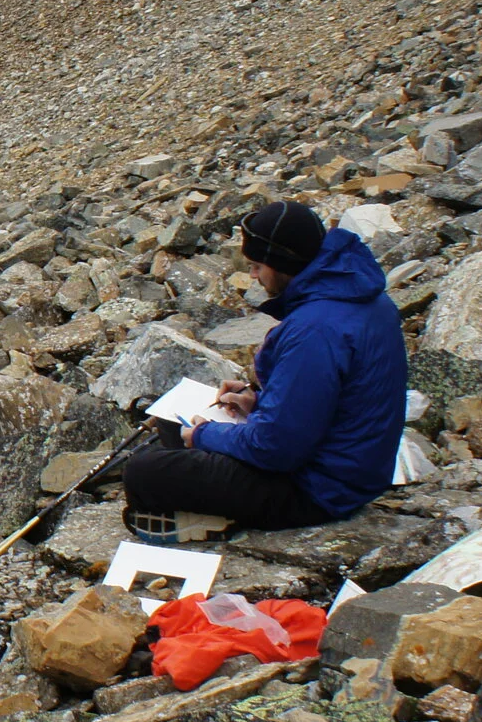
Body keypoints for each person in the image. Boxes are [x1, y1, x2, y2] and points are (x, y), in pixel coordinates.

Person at [122, 200, 407, 532]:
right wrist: (256, 401)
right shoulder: (359, 297)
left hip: (318, 490)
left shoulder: (314, 330)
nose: (253, 277)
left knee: (142, 472)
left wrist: (206, 435)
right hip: (346, 466)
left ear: (283, 263)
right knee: (171, 425)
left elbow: (275, 449)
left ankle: (211, 521)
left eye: (257, 266)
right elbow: (330, 398)